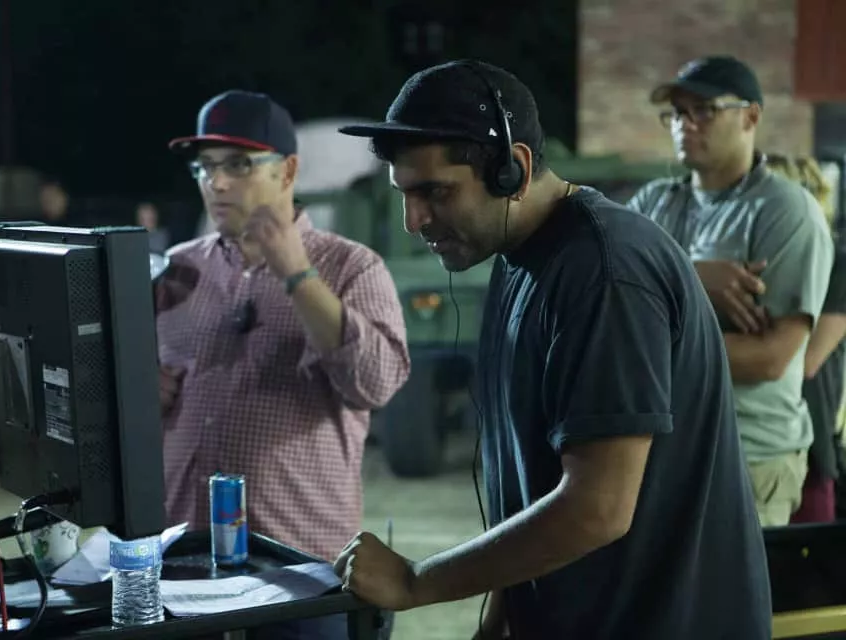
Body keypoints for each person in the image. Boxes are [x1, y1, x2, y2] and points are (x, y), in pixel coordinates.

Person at [333, 60, 771, 640]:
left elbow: (598, 506)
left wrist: (417, 582)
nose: (414, 221)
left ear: (512, 169)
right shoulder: (518, 260)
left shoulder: (604, 272)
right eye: (404, 195)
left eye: (435, 192)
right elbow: (533, 483)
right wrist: (502, 616)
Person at [157, 90, 410, 639]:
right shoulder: (176, 272)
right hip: (182, 566)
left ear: (289, 170)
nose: (217, 183)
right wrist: (135, 390)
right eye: (205, 167)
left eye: (238, 165)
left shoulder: (351, 267)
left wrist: (297, 274)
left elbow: (375, 384)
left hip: (299, 575)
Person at [628, 56, 834, 526]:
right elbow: (605, 295)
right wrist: (690, 276)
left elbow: (769, 358)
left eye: (704, 110)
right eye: (677, 113)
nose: (684, 124)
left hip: (746, 455)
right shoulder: (654, 203)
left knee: (727, 578)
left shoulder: (784, 211)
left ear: (751, 116)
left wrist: (637, 343)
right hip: (655, 449)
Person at [766, 153, 846, 523]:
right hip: (761, 441)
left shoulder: (837, 264)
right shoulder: (765, 267)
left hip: (811, 445)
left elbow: (808, 361)